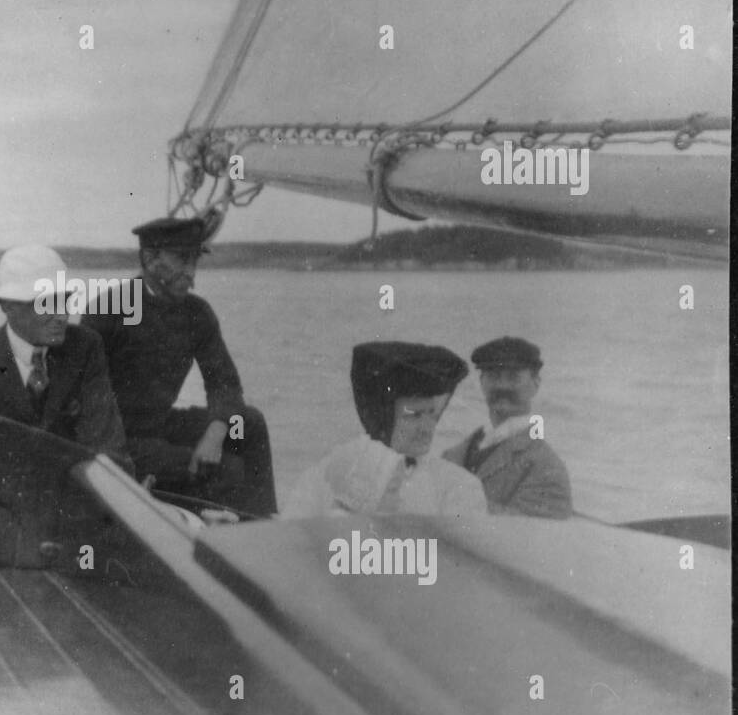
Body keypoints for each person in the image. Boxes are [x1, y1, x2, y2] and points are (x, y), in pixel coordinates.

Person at [81, 216, 276, 517]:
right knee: (228, 470)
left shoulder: (196, 313)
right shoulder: (113, 308)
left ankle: (266, 521)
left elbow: (224, 381)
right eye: (182, 260)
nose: (192, 273)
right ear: (149, 258)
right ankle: (225, 535)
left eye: (195, 261)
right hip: (120, 440)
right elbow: (83, 393)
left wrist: (216, 430)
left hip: (161, 425)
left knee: (249, 425)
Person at [0, 245, 132, 471]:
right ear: (7, 306)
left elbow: (109, 447)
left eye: (65, 301)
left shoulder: (85, 347)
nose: (62, 315)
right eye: (46, 303)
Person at [284, 342, 487, 521]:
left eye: (432, 414)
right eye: (414, 415)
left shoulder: (459, 486)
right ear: (382, 416)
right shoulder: (326, 475)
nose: (427, 428)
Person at [442, 336, 573, 519]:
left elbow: (532, 538)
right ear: (481, 382)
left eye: (513, 377)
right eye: (494, 376)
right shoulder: (451, 455)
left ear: (535, 384)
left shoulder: (546, 469)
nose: (502, 386)